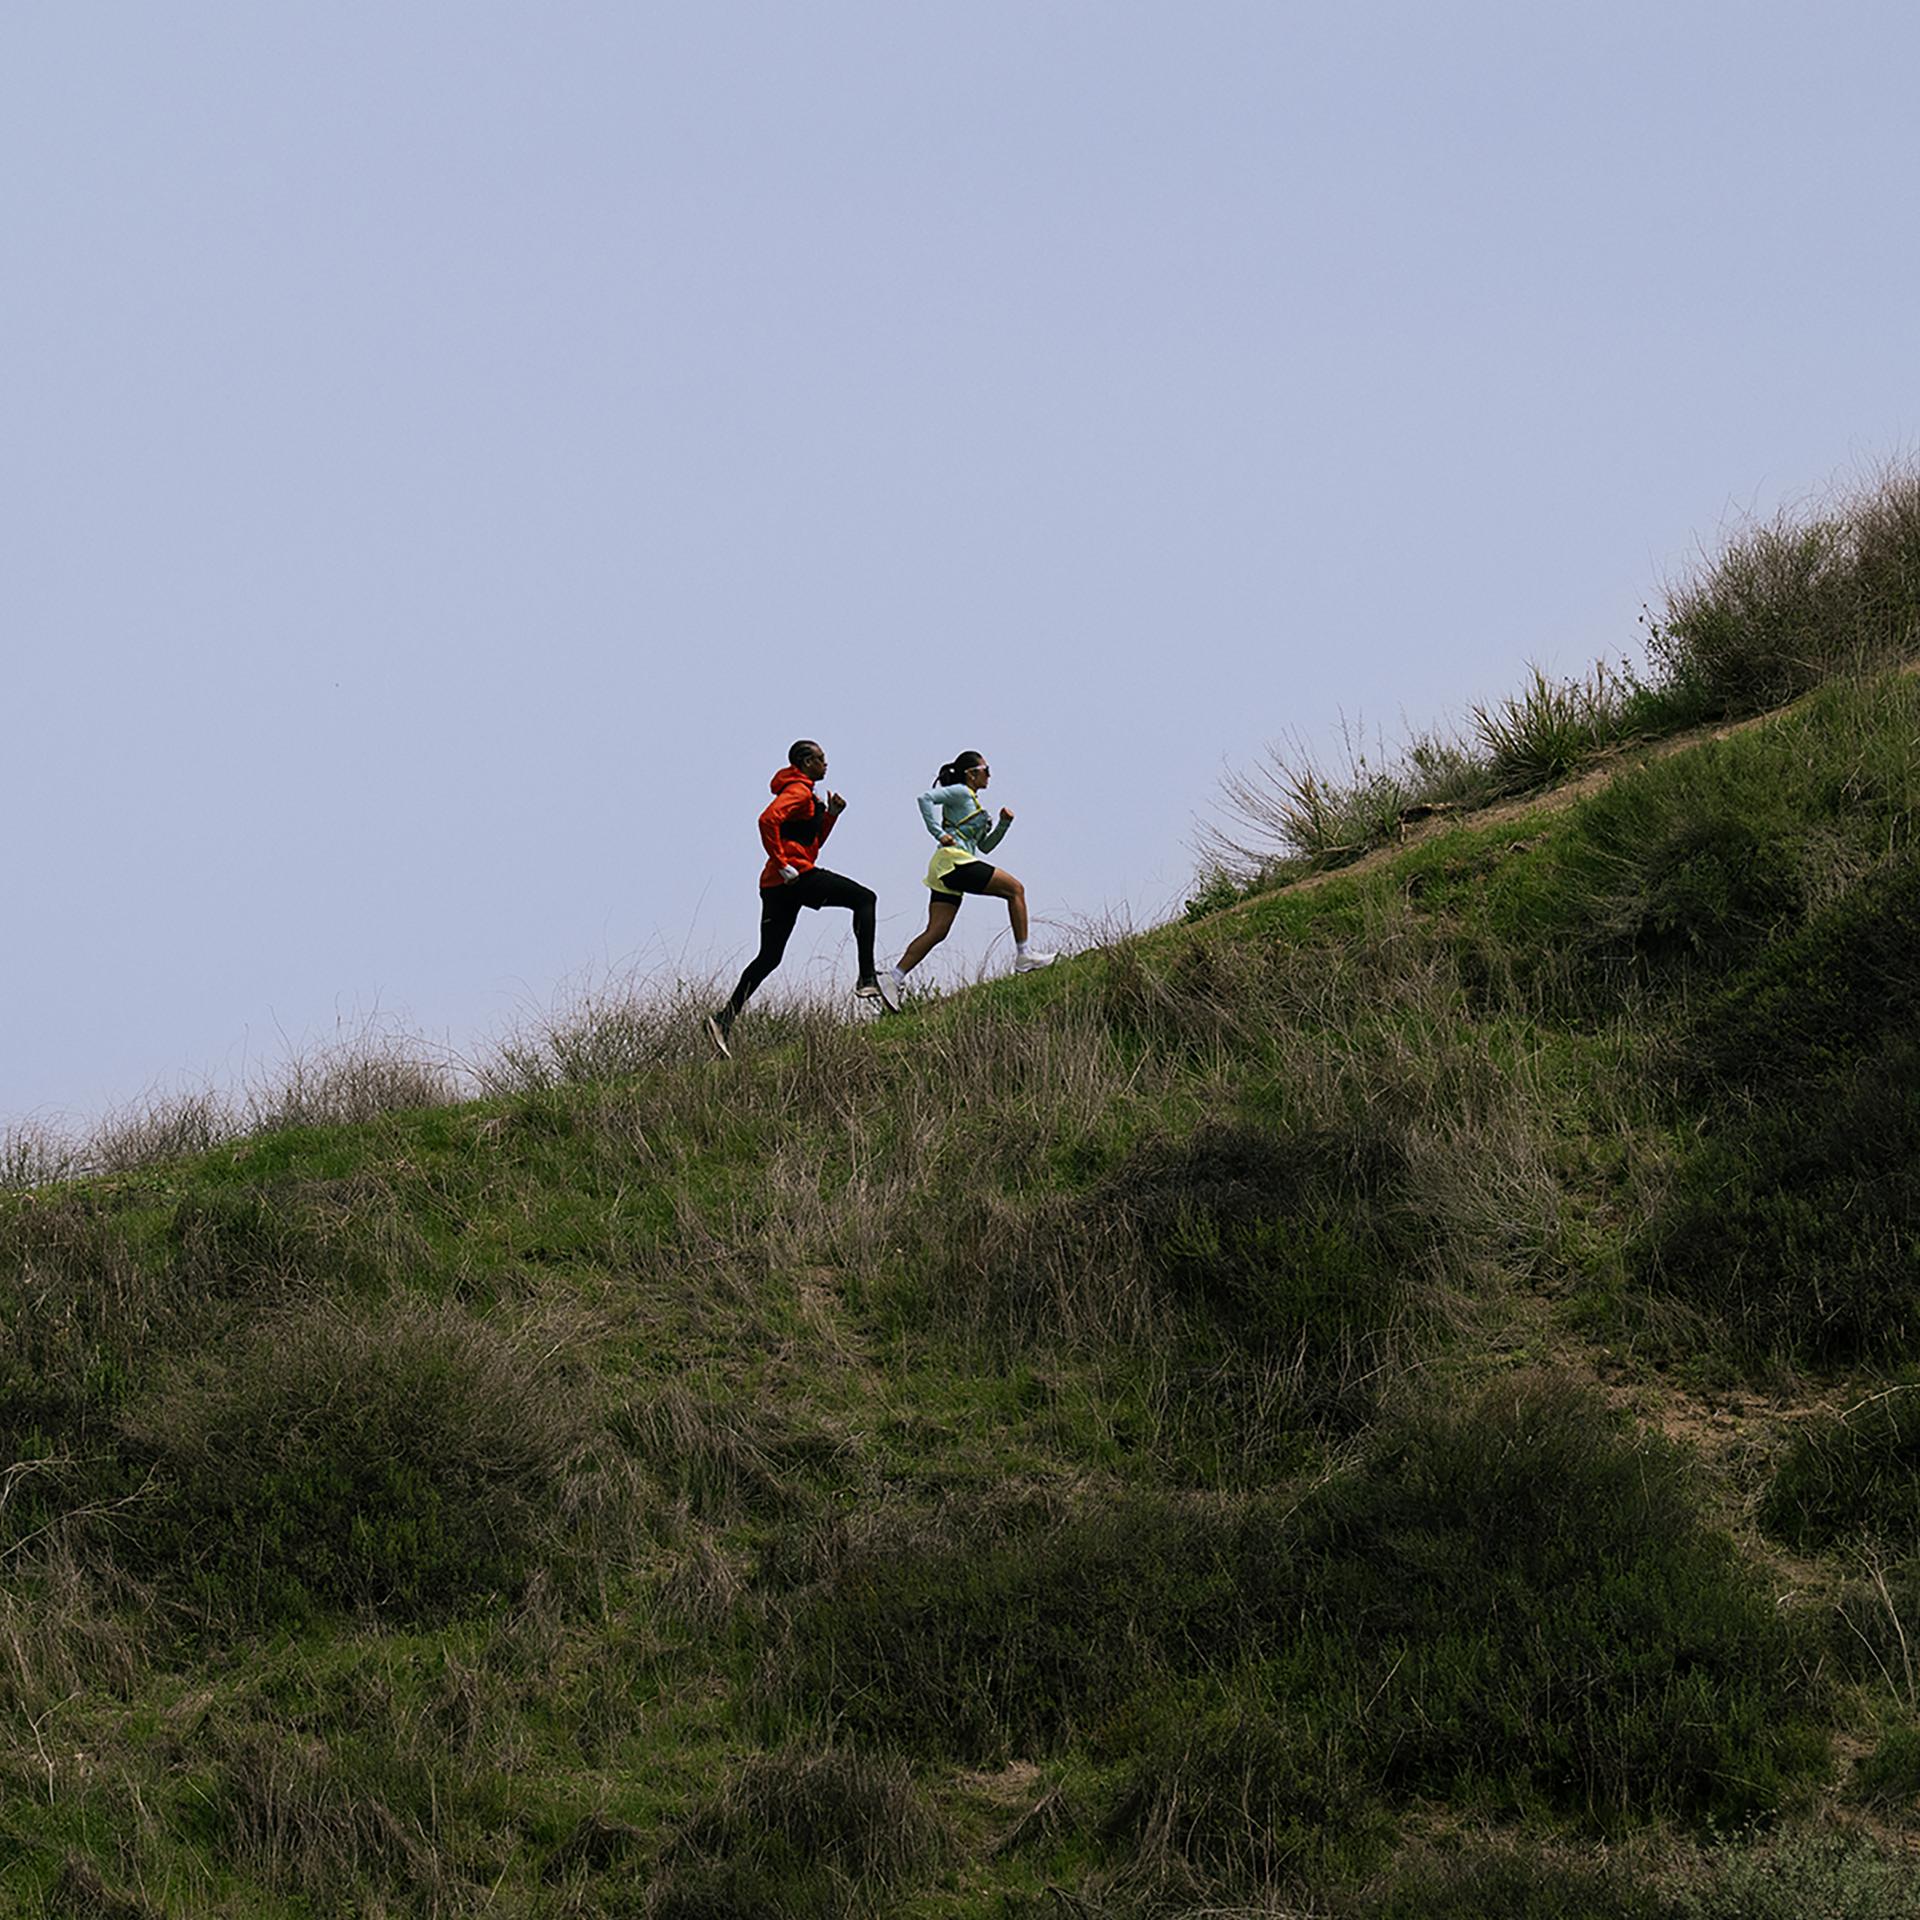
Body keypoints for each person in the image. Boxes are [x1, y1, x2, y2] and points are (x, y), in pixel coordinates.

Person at [705, 741, 884, 1057]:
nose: (826, 763)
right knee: (865, 899)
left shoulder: (806, 794)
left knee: (769, 957)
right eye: (821, 758)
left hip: (776, 885)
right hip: (796, 877)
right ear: (806, 762)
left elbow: (810, 844)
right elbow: (767, 820)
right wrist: (782, 862)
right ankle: (867, 978)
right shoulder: (799, 791)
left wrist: (831, 815)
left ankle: (723, 1019)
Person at [882, 750, 1055, 997]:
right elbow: (925, 798)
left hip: (946, 867)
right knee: (1015, 890)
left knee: (937, 931)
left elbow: (985, 846)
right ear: (971, 774)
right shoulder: (961, 792)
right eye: (986, 770)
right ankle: (1024, 954)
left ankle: (893, 978)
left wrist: (1003, 824)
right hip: (954, 862)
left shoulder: (972, 801)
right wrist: (938, 833)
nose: (989, 776)